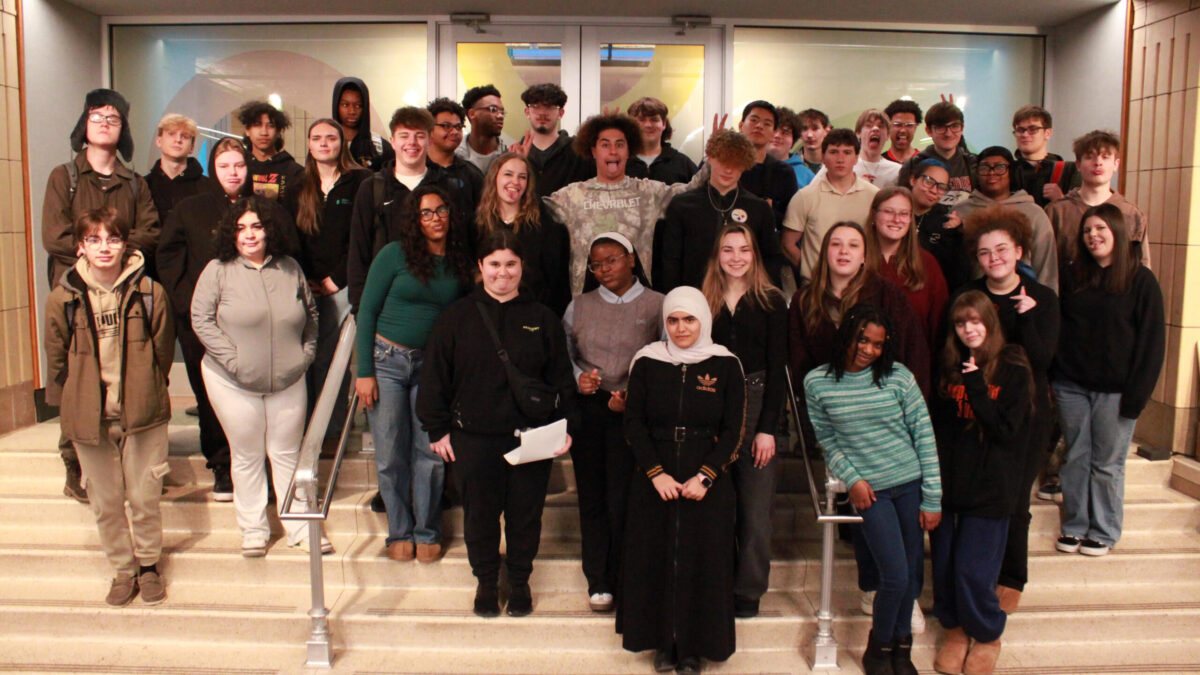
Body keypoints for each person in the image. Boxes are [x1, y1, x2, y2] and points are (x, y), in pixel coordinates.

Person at [417, 230, 577, 618]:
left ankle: (519, 582)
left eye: (510, 264)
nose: (502, 273)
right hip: (474, 439)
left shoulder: (543, 319)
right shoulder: (456, 318)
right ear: (480, 267)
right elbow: (435, 377)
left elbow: (561, 380)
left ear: (522, 267)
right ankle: (486, 583)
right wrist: (437, 430)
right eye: (494, 264)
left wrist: (564, 426)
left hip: (532, 439)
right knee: (480, 517)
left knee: (526, 516)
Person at [44, 207, 175, 607]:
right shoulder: (63, 297)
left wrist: (146, 390)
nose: (105, 248)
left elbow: (162, 352)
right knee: (104, 502)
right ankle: (123, 569)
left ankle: (149, 565)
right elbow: (58, 361)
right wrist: (79, 400)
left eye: (114, 239)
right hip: (90, 419)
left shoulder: (150, 293)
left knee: (144, 495)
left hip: (142, 413)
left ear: (125, 244)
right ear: (80, 246)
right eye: (95, 239)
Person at [805, 305, 941, 675]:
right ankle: (878, 648)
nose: (868, 349)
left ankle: (902, 649)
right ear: (847, 334)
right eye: (862, 339)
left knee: (911, 575)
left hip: (910, 484)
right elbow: (828, 441)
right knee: (895, 575)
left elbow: (924, 437)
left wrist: (933, 498)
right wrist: (854, 480)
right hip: (872, 492)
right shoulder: (817, 382)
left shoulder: (898, 378)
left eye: (878, 345)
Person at [190, 195, 328, 557]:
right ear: (231, 234)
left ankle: (300, 527)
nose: (249, 235)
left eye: (256, 226)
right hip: (230, 381)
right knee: (247, 453)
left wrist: (305, 356)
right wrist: (233, 361)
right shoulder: (217, 271)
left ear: (269, 230)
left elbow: (311, 315)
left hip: (288, 378)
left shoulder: (289, 268)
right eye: (241, 228)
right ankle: (253, 529)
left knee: (287, 453)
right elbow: (200, 320)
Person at [619, 286, 746, 674]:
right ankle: (663, 643)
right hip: (653, 475)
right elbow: (633, 423)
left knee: (702, 562)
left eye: (689, 319)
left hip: (705, 478)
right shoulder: (647, 361)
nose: (680, 327)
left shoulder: (725, 364)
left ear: (703, 320)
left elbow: (733, 429)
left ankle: (693, 648)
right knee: (655, 558)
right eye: (672, 320)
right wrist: (655, 474)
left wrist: (705, 477)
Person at [42, 87, 160, 503]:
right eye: (97, 117)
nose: (105, 123)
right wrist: (98, 250)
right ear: (84, 126)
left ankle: (124, 465)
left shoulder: (135, 183)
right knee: (77, 378)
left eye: (114, 118)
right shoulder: (65, 177)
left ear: (123, 128)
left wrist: (113, 252)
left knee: (122, 375)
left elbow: (150, 229)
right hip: (76, 293)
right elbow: (54, 237)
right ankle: (75, 467)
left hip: (123, 294)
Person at [356, 186, 473, 564]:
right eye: (426, 213)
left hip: (433, 370)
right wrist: (364, 372)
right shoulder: (394, 255)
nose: (435, 218)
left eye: (441, 210)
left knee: (431, 453)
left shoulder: (459, 260)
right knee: (390, 452)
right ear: (414, 219)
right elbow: (367, 313)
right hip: (386, 362)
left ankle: (427, 530)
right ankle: (399, 530)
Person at [960, 205, 1060, 614]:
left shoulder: (1042, 298)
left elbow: (1043, 360)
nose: (993, 259)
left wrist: (1028, 319)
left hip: (1028, 415)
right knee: (981, 494)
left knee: (1016, 497)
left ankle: (1012, 576)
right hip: (978, 408)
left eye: (1002, 249)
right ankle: (975, 572)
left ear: (1019, 251)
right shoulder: (970, 297)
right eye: (985, 253)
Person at [930, 291, 1035, 675]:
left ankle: (987, 635)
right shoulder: (948, 365)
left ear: (990, 322)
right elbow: (939, 429)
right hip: (949, 487)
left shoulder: (1013, 367)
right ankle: (956, 631)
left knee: (973, 571)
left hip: (991, 490)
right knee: (944, 568)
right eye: (960, 323)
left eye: (975, 321)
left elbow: (1006, 432)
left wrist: (976, 388)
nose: (968, 329)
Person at [1053, 204, 1164, 558]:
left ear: (1116, 231)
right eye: (1087, 230)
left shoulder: (1141, 280)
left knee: (1106, 464)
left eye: (1100, 228)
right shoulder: (1073, 275)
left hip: (1117, 391)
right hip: (1072, 384)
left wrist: (1137, 397)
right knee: (1076, 457)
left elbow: (1152, 343)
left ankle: (1103, 530)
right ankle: (1074, 526)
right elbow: (1060, 327)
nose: (1093, 236)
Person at [563, 232, 663, 613]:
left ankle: (627, 577)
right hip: (591, 412)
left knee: (628, 500)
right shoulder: (578, 306)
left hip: (637, 413)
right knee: (592, 498)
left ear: (632, 259)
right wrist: (578, 378)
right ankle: (599, 580)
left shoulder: (658, 304)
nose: (604, 269)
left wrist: (638, 396)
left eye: (612, 260)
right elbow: (564, 353)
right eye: (597, 264)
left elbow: (670, 352)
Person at [156, 137, 258, 502]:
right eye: (225, 165)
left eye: (239, 165)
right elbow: (168, 259)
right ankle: (221, 465)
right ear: (214, 169)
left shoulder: (262, 209)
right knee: (210, 395)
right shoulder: (190, 208)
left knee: (252, 394)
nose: (233, 172)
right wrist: (187, 304)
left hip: (252, 322)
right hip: (201, 322)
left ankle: (255, 466)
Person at [701, 223, 788, 619]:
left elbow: (777, 368)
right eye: (728, 249)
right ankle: (714, 581)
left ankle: (749, 588)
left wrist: (767, 427)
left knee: (754, 508)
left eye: (744, 250)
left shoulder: (771, 301)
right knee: (716, 506)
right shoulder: (703, 301)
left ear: (755, 255)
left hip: (757, 400)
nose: (736, 257)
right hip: (712, 400)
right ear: (717, 255)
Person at [788, 222, 931, 451]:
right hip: (829, 413)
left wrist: (907, 411)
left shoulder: (888, 295)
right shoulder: (804, 300)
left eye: (853, 245)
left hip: (881, 413)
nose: (844, 251)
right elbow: (799, 363)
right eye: (836, 244)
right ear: (825, 253)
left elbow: (913, 353)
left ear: (864, 256)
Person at [542, 112, 707, 294]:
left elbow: (692, 190)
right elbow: (530, 209)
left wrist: (712, 158)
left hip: (638, 306)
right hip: (587, 308)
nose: (613, 151)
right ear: (593, 151)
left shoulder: (647, 193)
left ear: (629, 150)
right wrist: (522, 165)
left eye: (619, 144)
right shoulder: (572, 196)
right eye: (605, 145)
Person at [346, 106, 474, 310]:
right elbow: (358, 253)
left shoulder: (448, 187)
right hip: (385, 305)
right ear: (393, 141)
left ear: (430, 140)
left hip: (439, 303)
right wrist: (360, 308)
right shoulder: (372, 188)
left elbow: (461, 246)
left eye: (419, 136)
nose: (412, 143)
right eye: (404, 135)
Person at [294, 119, 371, 443]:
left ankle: (333, 430)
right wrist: (306, 279)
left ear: (342, 143)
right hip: (304, 287)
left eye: (331, 137)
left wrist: (334, 280)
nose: (324, 143)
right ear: (309, 144)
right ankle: (307, 427)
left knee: (333, 361)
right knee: (307, 360)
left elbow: (360, 238)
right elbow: (292, 236)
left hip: (342, 286)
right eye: (317, 138)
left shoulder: (361, 182)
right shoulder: (298, 183)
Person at [658, 129, 785, 291]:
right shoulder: (682, 205)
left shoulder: (759, 209)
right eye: (724, 160)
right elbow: (671, 262)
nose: (729, 170)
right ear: (709, 158)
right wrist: (676, 301)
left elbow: (771, 260)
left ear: (745, 165)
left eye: (736, 163)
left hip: (745, 303)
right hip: (694, 301)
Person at [474, 152, 571, 315]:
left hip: (532, 317)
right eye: (508, 174)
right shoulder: (477, 226)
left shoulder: (546, 229)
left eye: (522, 177)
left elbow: (556, 286)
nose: (515, 182)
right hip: (487, 316)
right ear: (494, 178)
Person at [953, 146, 1060, 291]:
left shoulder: (1034, 213)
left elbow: (1047, 266)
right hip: (975, 300)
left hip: (1025, 299)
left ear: (1012, 172)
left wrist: (1046, 303)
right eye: (985, 168)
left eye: (1000, 167)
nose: (992, 173)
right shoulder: (960, 211)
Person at [782, 128, 880, 280]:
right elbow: (788, 244)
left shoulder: (874, 195)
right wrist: (811, 271)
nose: (840, 159)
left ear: (856, 158)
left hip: (860, 286)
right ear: (823, 157)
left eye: (847, 152)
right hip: (815, 287)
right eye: (834, 152)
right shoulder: (805, 196)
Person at [1044, 130, 1150, 269]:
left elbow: (1143, 267)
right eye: (1090, 157)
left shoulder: (1131, 214)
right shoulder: (1057, 211)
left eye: (1105, 157)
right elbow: (1045, 265)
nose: (1098, 163)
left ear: (1116, 164)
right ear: (1078, 164)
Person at [866, 186, 948, 360]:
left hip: (914, 365)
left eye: (904, 214)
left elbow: (939, 327)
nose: (896, 219)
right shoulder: (857, 259)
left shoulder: (927, 264)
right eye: (888, 212)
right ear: (874, 214)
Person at [143, 113, 221, 236]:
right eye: (171, 134)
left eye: (184, 136)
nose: (178, 140)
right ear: (159, 141)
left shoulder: (209, 187)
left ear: (192, 147)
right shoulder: (144, 186)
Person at [517, 82, 594, 197]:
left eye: (549, 107)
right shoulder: (515, 154)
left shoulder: (579, 153)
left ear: (561, 113)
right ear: (527, 112)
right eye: (536, 106)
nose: (542, 113)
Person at [896, 101, 978, 206]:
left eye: (955, 126)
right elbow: (903, 207)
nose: (948, 133)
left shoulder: (974, 164)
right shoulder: (913, 166)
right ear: (929, 131)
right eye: (941, 127)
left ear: (962, 128)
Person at [737, 100, 800, 228]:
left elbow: (791, 221)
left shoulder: (784, 172)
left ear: (772, 132)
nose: (759, 126)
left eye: (767, 123)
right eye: (754, 120)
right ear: (741, 126)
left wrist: (768, 211)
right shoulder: (724, 165)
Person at [909, 159, 970, 291]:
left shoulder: (947, 223)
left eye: (942, 187)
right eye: (929, 181)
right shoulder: (895, 214)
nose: (934, 190)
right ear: (913, 180)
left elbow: (956, 274)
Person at [237, 100, 305, 207]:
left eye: (270, 126)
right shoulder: (238, 167)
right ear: (247, 130)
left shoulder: (295, 172)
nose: (264, 132)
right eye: (257, 125)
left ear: (278, 132)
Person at [1010, 105, 1080, 208]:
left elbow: (1079, 215)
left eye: (1032, 129)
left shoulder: (1069, 171)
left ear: (1048, 133)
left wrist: (1060, 199)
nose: (1024, 135)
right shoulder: (1007, 171)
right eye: (1020, 130)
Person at [426, 97, 486, 209]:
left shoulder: (471, 174)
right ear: (430, 129)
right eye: (446, 126)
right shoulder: (418, 170)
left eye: (458, 127)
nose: (454, 132)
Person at [625, 96, 698, 184]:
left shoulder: (683, 164)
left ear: (664, 124)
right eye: (641, 120)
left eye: (654, 120)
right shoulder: (621, 162)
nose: (648, 125)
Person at [331, 76, 395, 170]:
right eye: (345, 105)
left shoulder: (379, 146)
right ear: (336, 105)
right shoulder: (325, 144)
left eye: (358, 106)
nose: (352, 111)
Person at [457, 84, 507, 174]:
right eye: (493, 109)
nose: (500, 116)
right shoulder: (455, 155)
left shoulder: (507, 155)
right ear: (472, 114)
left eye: (502, 111)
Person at [767, 106, 817, 189]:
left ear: (793, 141)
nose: (777, 135)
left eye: (785, 132)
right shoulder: (747, 169)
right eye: (774, 130)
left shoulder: (808, 177)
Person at [851, 109, 901, 187]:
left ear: (888, 135)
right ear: (858, 133)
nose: (875, 129)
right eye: (869, 125)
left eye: (881, 126)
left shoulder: (896, 171)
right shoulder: (844, 166)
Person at [884, 99, 922, 165]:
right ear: (888, 126)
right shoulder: (879, 162)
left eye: (909, 125)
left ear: (915, 127)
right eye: (898, 124)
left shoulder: (925, 162)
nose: (903, 130)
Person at [796, 108, 832, 175]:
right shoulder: (791, 165)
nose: (810, 135)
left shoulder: (836, 163)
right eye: (804, 129)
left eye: (815, 128)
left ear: (826, 131)